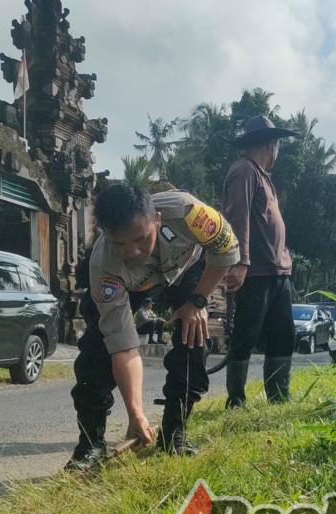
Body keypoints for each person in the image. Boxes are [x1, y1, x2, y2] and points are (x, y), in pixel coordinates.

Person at [66, 182, 239, 470]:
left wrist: (197, 301)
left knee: (193, 336)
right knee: (97, 350)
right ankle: (90, 444)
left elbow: (225, 249)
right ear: (105, 234)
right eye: (119, 243)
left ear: (157, 220)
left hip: (186, 271)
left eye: (141, 238)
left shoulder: (190, 213)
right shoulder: (104, 266)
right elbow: (123, 346)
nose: (132, 251)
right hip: (132, 285)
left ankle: (174, 431)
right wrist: (136, 414)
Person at [221, 116, 299, 408]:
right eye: (277, 145)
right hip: (256, 272)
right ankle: (236, 399)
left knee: (283, 334)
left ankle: (278, 396)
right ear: (271, 144)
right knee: (246, 334)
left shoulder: (262, 175)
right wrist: (240, 262)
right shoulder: (244, 171)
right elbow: (237, 216)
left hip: (278, 270)